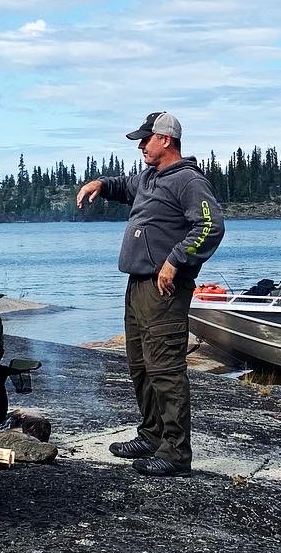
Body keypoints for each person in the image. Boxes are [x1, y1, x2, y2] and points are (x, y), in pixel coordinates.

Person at [76, 111, 224, 478]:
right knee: (140, 364)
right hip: (137, 285)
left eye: (146, 139)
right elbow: (124, 186)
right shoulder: (148, 177)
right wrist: (99, 184)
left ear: (166, 140)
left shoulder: (188, 180)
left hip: (164, 289)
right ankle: (152, 434)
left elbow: (211, 225)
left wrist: (176, 261)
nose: (141, 145)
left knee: (165, 367)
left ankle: (175, 452)